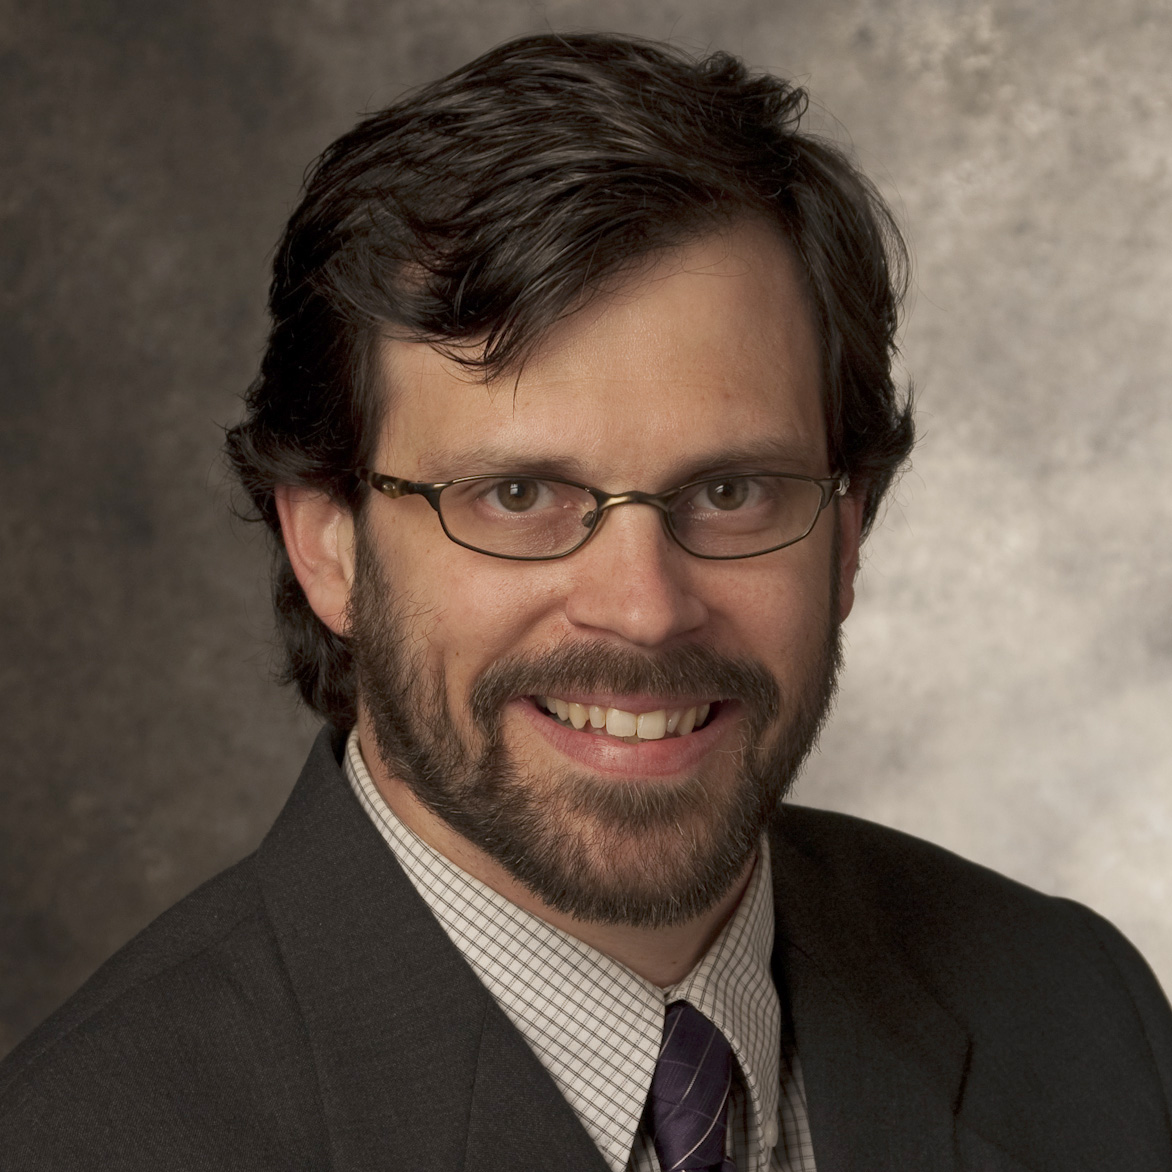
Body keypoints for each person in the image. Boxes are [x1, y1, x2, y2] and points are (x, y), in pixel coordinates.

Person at [1, 30, 1170, 1171]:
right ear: (327, 543)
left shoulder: (1079, 1013)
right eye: (516, 493)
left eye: (729, 489)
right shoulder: (92, 1134)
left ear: (848, 532)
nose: (644, 608)